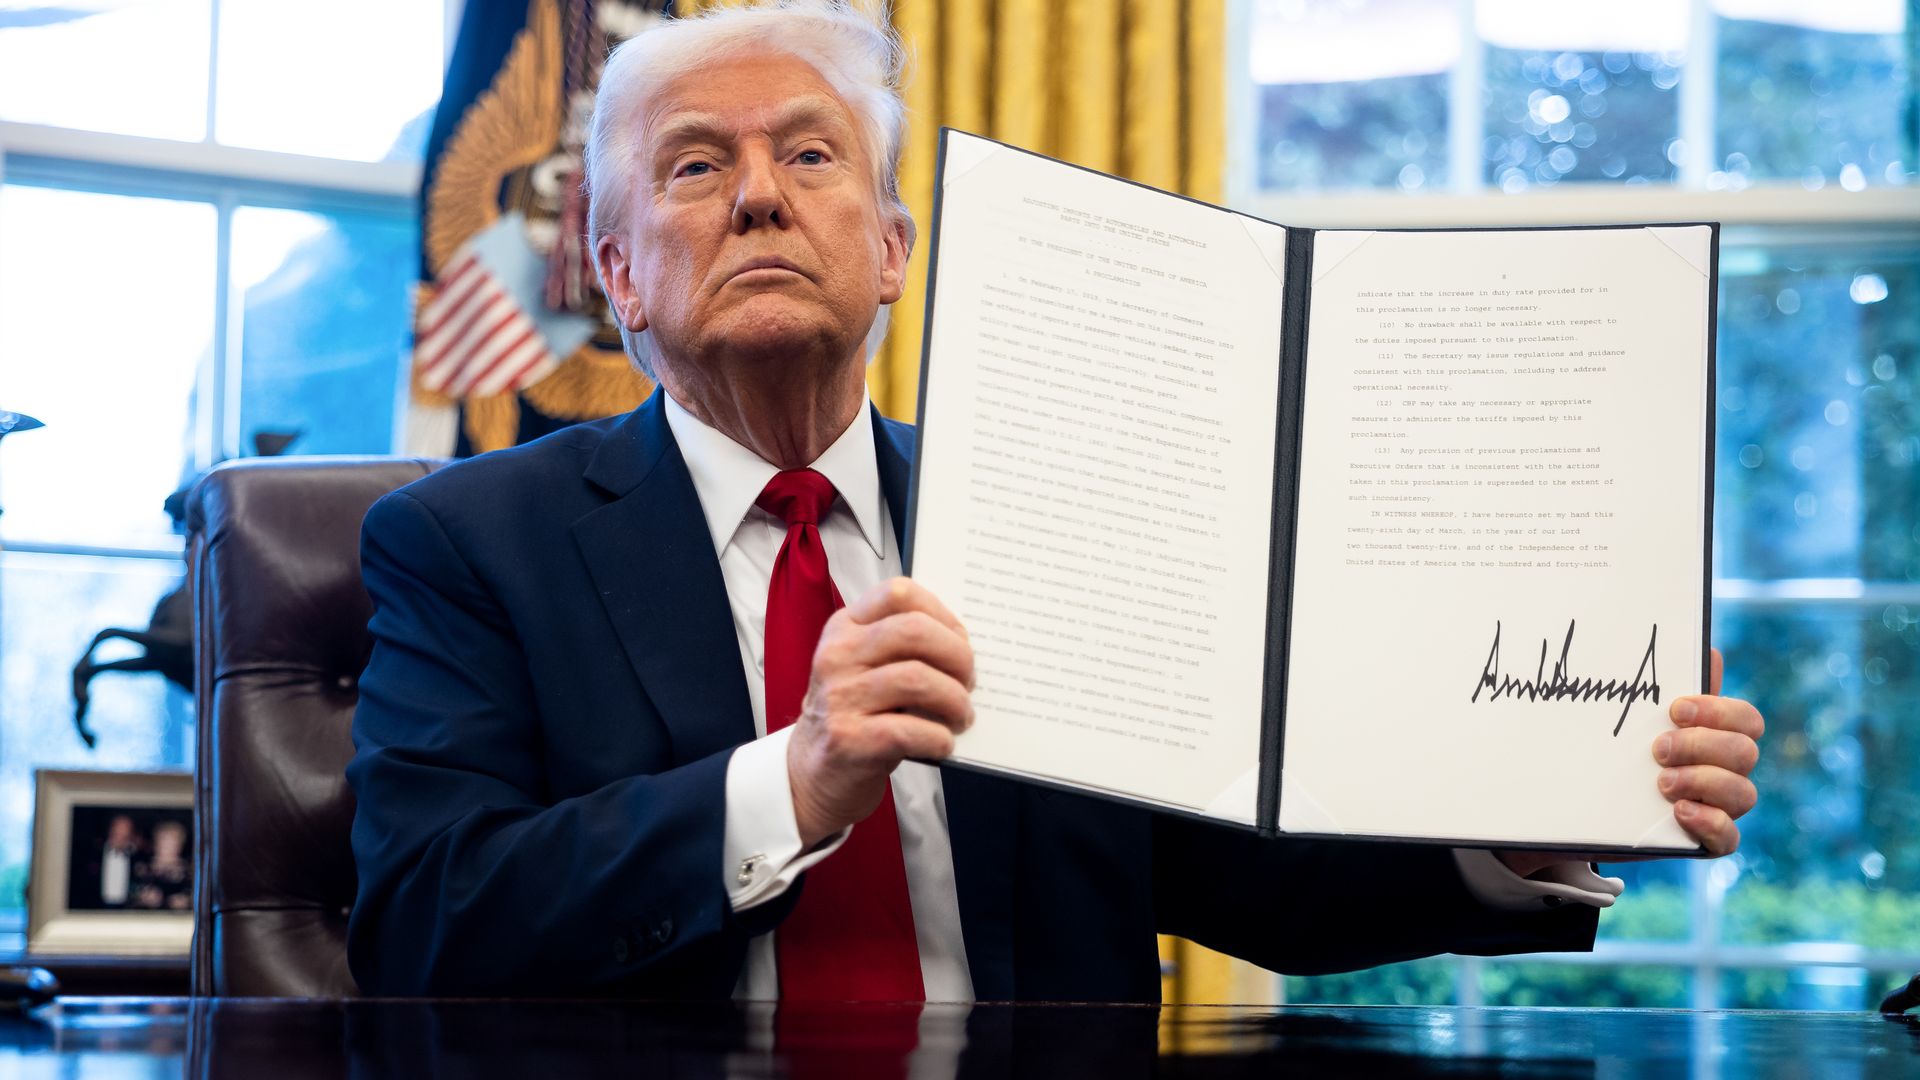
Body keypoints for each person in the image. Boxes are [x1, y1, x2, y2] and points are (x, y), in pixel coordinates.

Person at [347, 0, 1764, 1001]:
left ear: (893, 251)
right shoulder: (467, 544)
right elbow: (423, 920)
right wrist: (798, 776)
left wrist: (1522, 822)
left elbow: (1237, 875)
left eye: (811, 153)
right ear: (617, 275)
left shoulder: (1063, 513)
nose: (761, 198)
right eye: (697, 165)